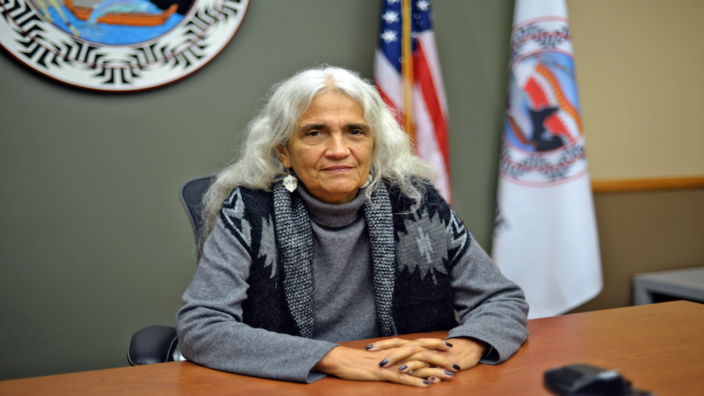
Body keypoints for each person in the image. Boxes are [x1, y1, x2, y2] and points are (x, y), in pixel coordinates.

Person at [175, 66, 529, 387]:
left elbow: (500, 298)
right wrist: (333, 358)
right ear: (284, 152)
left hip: (411, 380)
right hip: (295, 383)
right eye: (315, 133)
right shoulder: (249, 211)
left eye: (355, 131)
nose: (339, 150)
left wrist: (465, 346)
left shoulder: (416, 202)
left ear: (374, 144)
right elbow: (202, 326)